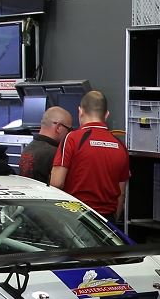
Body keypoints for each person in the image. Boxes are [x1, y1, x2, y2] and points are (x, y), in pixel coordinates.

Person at [51, 89, 130, 221]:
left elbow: (56, 183)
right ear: (106, 115)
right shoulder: (121, 146)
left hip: (75, 217)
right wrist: (113, 220)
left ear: (80, 111)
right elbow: (121, 193)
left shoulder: (72, 139)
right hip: (106, 220)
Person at [19, 106, 75, 181]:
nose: (69, 133)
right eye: (69, 129)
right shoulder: (57, 154)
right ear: (58, 127)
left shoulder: (27, 149)